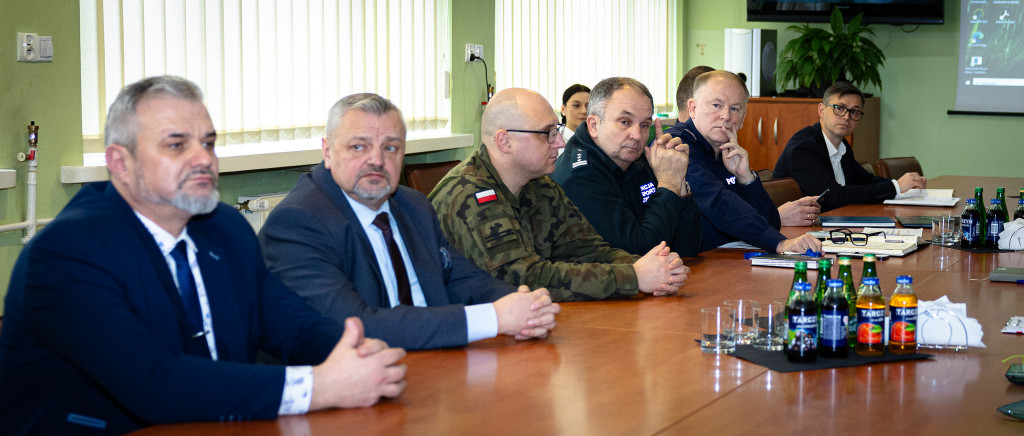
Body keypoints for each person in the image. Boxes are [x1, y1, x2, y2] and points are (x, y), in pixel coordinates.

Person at [0, 76, 407, 435]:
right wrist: (318, 387)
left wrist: (355, 354)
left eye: (208, 143)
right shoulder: (66, 254)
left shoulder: (224, 227)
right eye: (177, 145)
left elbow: (292, 326)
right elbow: (154, 384)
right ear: (120, 163)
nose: (203, 159)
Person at [259, 93, 560, 351]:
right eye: (359, 147)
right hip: (349, 382)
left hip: (435, 364)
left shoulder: (413, 206)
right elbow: (354, 327)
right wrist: (494, 318)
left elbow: (461, 279)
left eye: (390, 147)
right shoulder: (299, 221)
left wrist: (524, 305)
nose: (377, 160)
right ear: (327, 152)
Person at [428, 88, 689, 302]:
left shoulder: (540, 186)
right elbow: (521, 279)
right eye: (547, 134)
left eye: (557, 131)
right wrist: (633, 276)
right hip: (467, 337)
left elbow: (586, 249)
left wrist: (654, 267)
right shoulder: (472, 194)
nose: (561, 143)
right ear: (504, 141)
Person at [665, 70, 822, 253]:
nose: (726, 116)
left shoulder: (728, 151)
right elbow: (719, 203)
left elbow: (771, 223)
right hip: (683, 264)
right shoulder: (676, 145)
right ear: (693, 108)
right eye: (716, 105)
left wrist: (746, 178)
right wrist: (780, 243)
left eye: (735, 109)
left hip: (724, 260)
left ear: (742, 119)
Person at [551, 77, 701, 256]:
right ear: (594, 126)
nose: (637, 135)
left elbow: (689, 247)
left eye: (644, 125)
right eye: (625, 122)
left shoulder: (636, 158)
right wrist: (668, 184)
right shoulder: (579, 176)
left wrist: (679, 184)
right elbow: (638, 255)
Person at [772, 81, 926, 211]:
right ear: (821, 110)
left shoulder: (842, 145)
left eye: (854, 112)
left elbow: (865, 180)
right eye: (839, 108)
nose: (846, 117)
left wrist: (906, 185)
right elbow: (834, 196)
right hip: (796, 232)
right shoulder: (803, 148)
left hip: (832, 221)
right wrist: (896, 187)